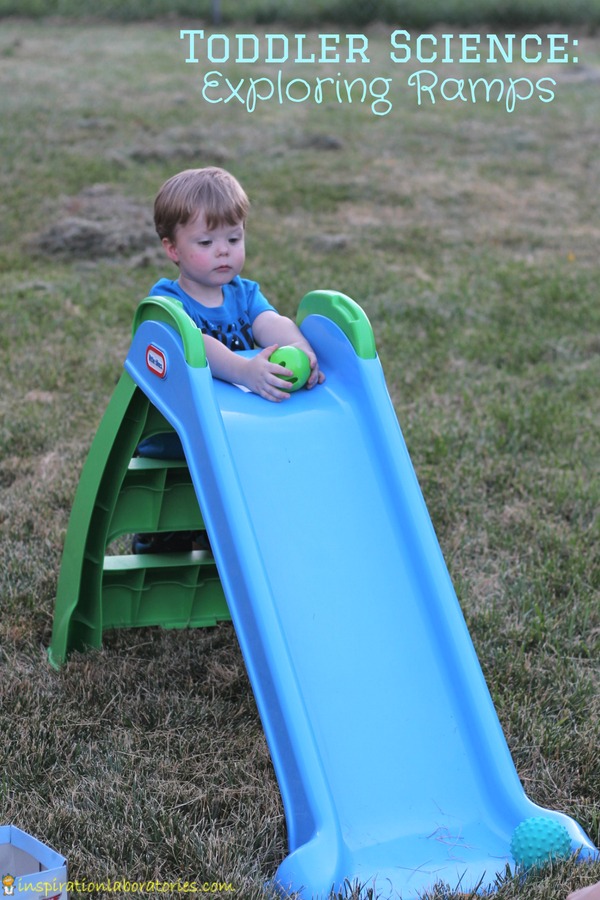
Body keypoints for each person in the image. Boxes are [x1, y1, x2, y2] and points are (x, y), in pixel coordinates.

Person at [133, 166, 325, 553]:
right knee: (171, 527)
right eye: (205, 243)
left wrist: (301, 349)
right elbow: (196, 344)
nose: (223, 250)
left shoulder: (244, 294)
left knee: (231, 528)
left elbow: (271, 321)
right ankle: (160, 542)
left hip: (233, 437)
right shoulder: (168, 303)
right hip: (176, 443)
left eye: (234, 238)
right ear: (173, 249)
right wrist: (243, 370)